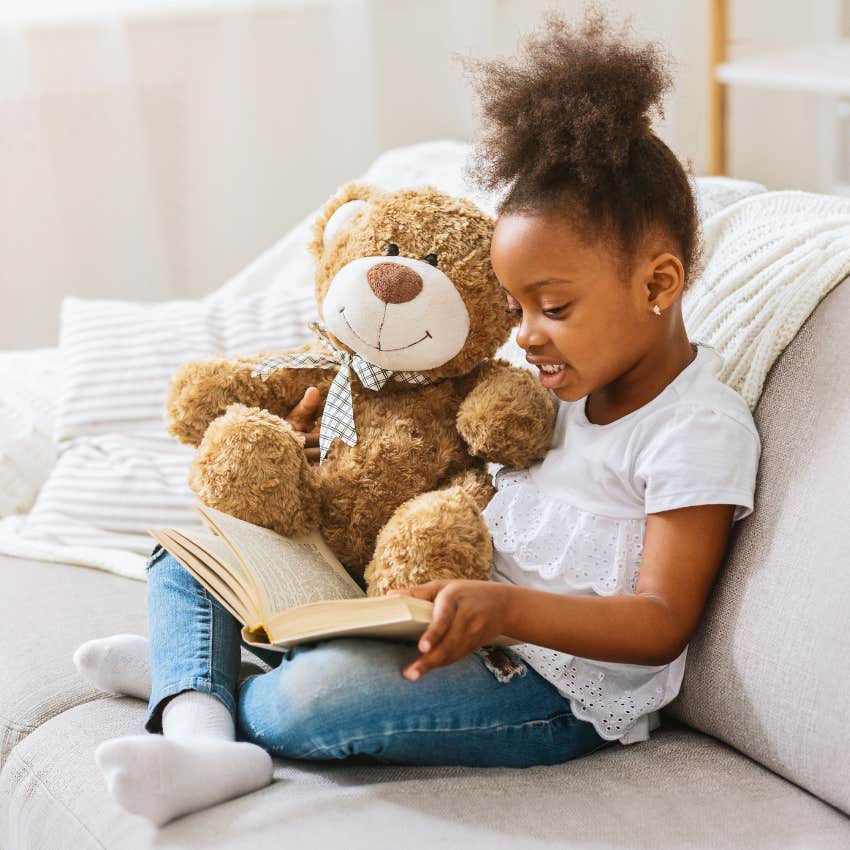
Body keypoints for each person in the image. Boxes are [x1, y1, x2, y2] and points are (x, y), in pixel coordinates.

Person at [73, 7, 761, 826]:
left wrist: (504, 609)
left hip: (544, 689)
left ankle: (195, 682)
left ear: (657, 285)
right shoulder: (559, 387)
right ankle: (198, 715)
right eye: (513, 307)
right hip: (437, 617)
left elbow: (659, 624)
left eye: (553, 307)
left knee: (308, 704)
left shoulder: (696, 429)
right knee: (193, 550)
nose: (526, 335)